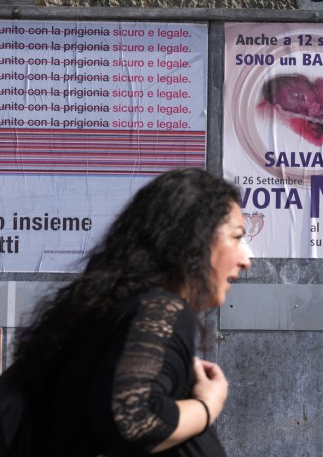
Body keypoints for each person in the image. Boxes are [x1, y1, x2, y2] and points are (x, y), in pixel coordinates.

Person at [0, 167, 251, 456]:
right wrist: (208, 405)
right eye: (236, 237)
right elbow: (135, 421)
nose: (246, 260)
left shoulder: (107, 313)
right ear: (194, 239)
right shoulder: (162, 308)